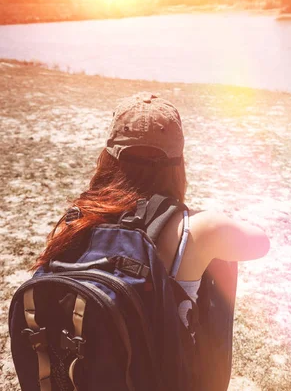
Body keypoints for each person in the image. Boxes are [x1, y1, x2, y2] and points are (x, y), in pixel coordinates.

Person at [34, 92, 270, 297]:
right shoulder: (200, 229)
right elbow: (261, 244)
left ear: (108, 157)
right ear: (177, 164)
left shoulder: (77, 219)